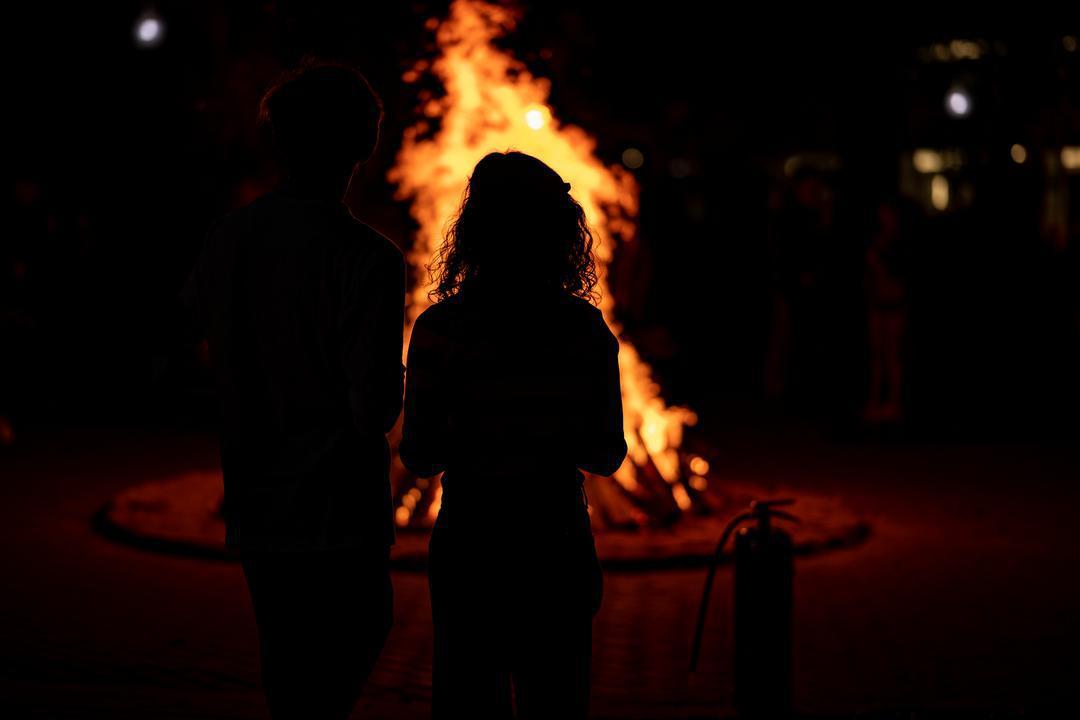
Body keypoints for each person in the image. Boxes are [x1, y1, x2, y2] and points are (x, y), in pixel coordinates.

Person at [179, 60, 406, 720]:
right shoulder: (367, 258)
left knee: (284, 670)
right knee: (351, 649)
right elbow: (373, 410)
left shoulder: (230, 238)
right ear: (366, 144)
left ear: (280, 140)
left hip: (255, 497)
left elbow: (191, 329)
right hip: (340, 511)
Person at [400, 151, 627, 719]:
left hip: (470, 547)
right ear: (560, 231)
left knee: (467, 705)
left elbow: (421, 455)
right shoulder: (581, 328)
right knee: (557, 705)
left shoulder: (439, 329)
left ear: (473, 229)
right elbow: (605, 453)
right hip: (555, 545)